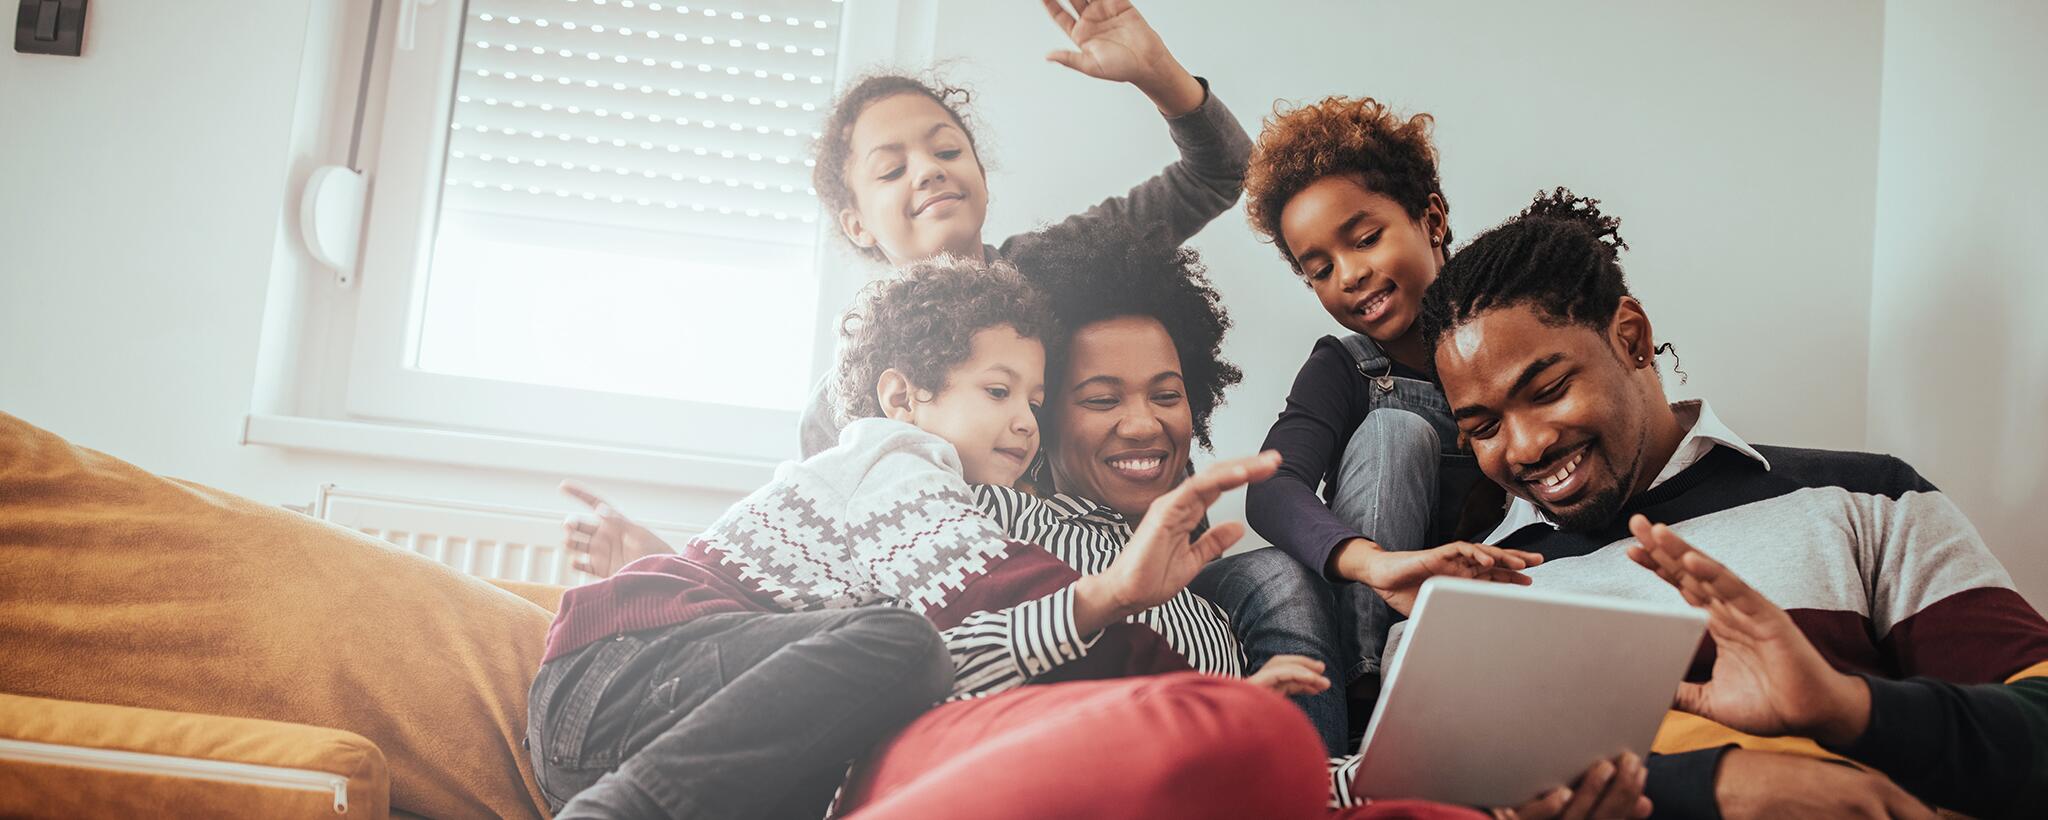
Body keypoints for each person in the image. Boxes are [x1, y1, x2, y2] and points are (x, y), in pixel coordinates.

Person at [1416, 187, 2048, 819]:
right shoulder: (1469, 594)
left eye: (1549, 389)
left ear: (1631, 338)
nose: (1525, 447)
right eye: (1484, 428)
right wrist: (1726, 785)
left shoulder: (1865, 501)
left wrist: (1845, 706)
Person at [797, 0, 1255, 457]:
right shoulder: (839, 406)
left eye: (948, 152)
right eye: (892, 170)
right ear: (857, 225)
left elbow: (1220, 173)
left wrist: (1159, 73)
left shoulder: (1069, 258)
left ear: (982, 178)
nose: (928, 170)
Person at [1240, 96, 1531, 724]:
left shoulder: (1517, 331)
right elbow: (1269, 487)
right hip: (1372, 633)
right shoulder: (1344, 367)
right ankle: (1371, 689)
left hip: (1501, 598)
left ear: (1432, 218)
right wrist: (1375, 563)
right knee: (1395, 427)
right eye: (1318, 270)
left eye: (1365, 239)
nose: (1348, 275)